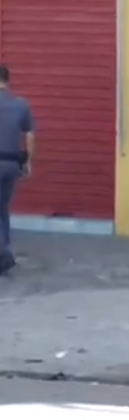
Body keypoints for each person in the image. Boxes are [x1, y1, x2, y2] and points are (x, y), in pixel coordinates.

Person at [0, 64, 34, 276]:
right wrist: (28, 161)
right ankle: (6, 252)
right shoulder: (21, 105)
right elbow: (30, 134)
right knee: (3, 209)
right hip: (12, 164)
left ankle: (3, 255)